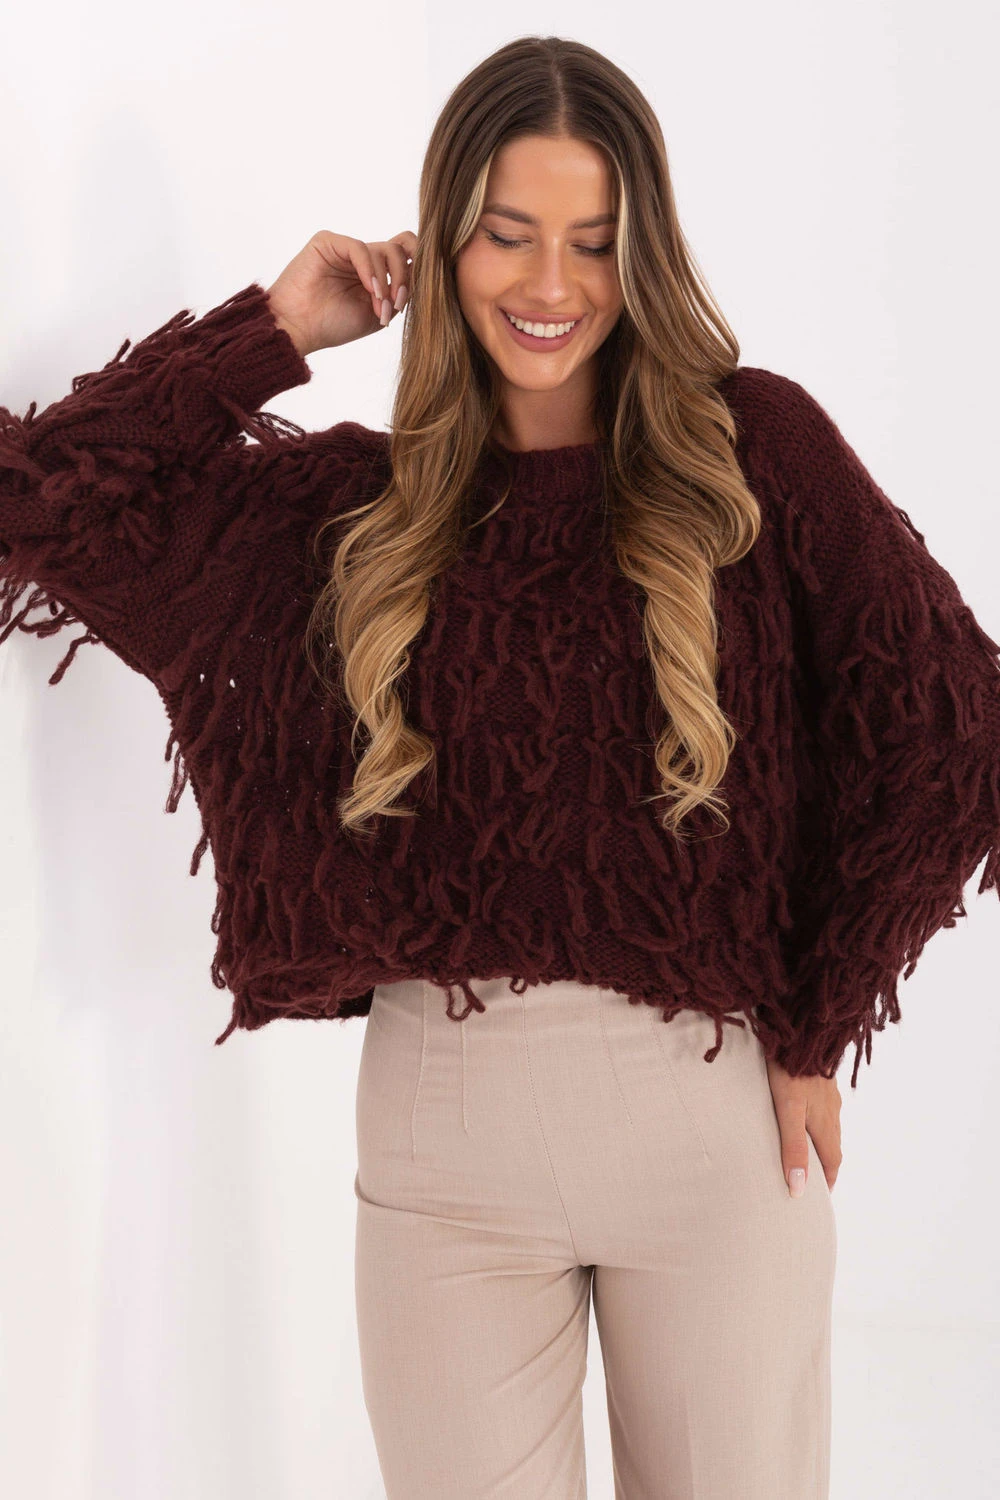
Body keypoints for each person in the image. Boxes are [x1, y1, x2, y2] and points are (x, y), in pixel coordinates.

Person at [3, 33, 998, 1500]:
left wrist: (820, 1018)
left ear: (644, 254)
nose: (551, 283)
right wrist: (275, 327)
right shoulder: (356, 509)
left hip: (714, 1126)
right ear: (444, 239)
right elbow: (41, 508)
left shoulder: (754, 451)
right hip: (444, 1136)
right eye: (507, 233)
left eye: (594, 241)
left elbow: (952, 721)